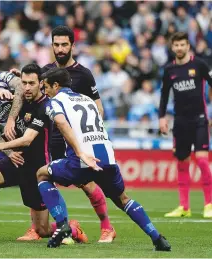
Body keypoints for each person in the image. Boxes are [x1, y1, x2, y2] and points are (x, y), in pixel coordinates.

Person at [0, 60, 87, 243]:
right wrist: (9, 154)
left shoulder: (5, 78)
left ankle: (71, 228)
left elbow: (20, 87)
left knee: (43, 229)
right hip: (11, 155)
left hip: (35, 161)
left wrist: (10, 117)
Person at [35, 67, 171, 251]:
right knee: (123, 199)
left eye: (46, 87)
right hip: (107, 158)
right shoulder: (88, 100)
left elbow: (61, 122)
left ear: (56, 85)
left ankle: (62, 224)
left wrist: (80, 153)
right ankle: (157, 238)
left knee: (42, 174)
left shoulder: (55, 101)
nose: (45, 91)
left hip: (83, 159)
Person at [7, 25, 116, 243]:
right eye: (56, 44)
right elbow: (31, 89)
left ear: (72, 45)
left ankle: (107, 227)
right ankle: (40, 227)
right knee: (40, 176)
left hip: (74, 140)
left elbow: (99, 108)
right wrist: (20, 82)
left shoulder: (84, 75)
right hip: (48, 138)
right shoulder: (46, 71)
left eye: (64, 44)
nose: (60, 48)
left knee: (86, 183)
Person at [159, 32, 212, 218]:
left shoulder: (199, 65)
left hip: (199, 119)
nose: (179, 48)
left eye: (183, 44)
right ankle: (184, 207)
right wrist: (162, 117)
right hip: (180, 122)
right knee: (182, 163)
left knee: (203, 160)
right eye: (176, 45)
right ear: (172, 47)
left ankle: (209, 204)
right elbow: (164, 95)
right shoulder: (169, 70)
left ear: (188, 46)